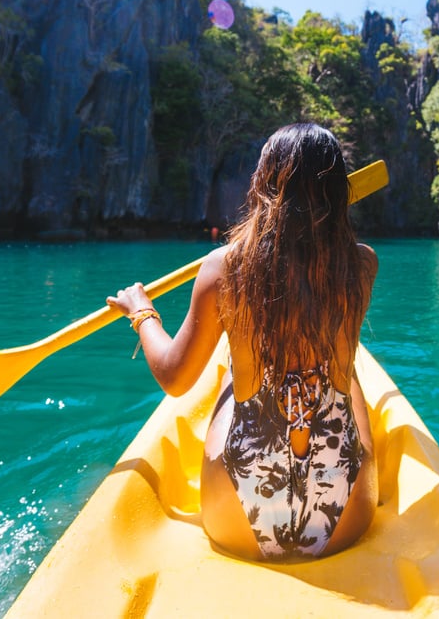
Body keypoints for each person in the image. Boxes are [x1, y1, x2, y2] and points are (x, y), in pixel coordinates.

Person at [107, 123, 379, 561]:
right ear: (338, 193)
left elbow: (175, 378)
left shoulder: (223, 268)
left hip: (237, 515)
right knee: (347, 379)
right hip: (345, 515)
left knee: (235, 378)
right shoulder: (363, 265)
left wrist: (142, 312)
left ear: (261, 184)